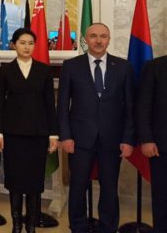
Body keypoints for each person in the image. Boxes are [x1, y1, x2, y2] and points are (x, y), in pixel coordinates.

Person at [58, 23, 135, 233]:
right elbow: (62, 106)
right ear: (86, 40)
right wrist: (65, 136)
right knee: (77, 187)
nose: (98, 40)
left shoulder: (123, 67)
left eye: (103, 36)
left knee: (109, 187)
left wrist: (128, 139)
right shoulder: (71, 66)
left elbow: (130, 107)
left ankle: (108, 227)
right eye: (93, 36)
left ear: (109, 40)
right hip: (79, 139)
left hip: (112, 139)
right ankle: (78, 226)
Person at [0, 28, 59, 233]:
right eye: (22, 42)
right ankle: (16, 225)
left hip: (38, 134)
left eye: (30, 43)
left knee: (34, 182)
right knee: (14, 181)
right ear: (14, 45)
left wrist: (53, 134)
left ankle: (31, 225)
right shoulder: (5, 71)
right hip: (13, 135)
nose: (27, 47)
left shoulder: (44, 70)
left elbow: (50, 104)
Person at [136, 56, 167, 232]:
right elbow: (143, 106)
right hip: (162, 147)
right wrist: (146, 139)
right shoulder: (155, 67)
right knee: (162, 199)